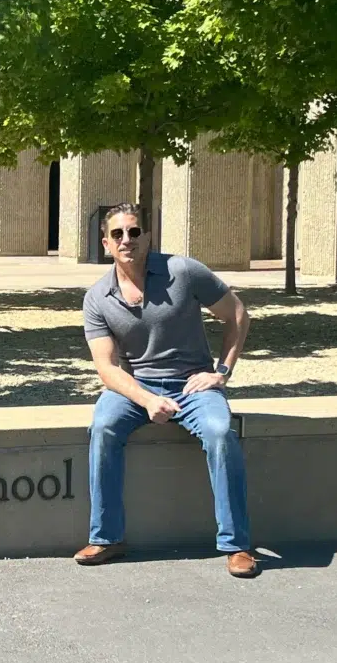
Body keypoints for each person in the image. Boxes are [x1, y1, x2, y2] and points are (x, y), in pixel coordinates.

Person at [76, 203, 258, 578]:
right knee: (103, 427)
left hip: (193, 383)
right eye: (118, 234)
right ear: (106, 243)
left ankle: (236, 545)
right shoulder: (98, 297)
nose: (127, 239)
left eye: (134, 232)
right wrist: (146, 399)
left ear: (147, 236)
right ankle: (106, 537)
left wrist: (220, 373)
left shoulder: (183, 271)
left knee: (221, 433)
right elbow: (107, 368)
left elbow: (237, 314)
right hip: (135, 387)